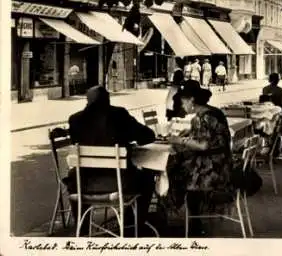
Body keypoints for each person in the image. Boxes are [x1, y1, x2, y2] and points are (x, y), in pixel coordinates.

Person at [64, 86, 156, 236]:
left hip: (82, 184)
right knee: (148, 178)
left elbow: (78, 143)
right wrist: (127, 141)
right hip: (118, 183)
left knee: (73, 175)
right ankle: (134, 223)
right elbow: (148, 136)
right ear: (107, 99)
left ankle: (83, 229)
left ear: (87, 100)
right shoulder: (119, 115)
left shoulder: (75, 119)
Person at [167, 80, 233, 237]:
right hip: (223, 164)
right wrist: (189, 132)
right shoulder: (213, 112)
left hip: (213, 170)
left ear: (191, 100)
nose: (182, 106)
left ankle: (189, 221)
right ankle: (193, 219)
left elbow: (203, 145)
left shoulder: (201, 118)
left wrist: (179, 140)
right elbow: (210, 136)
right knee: (178, 167)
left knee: (173, 173)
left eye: (183, 101)